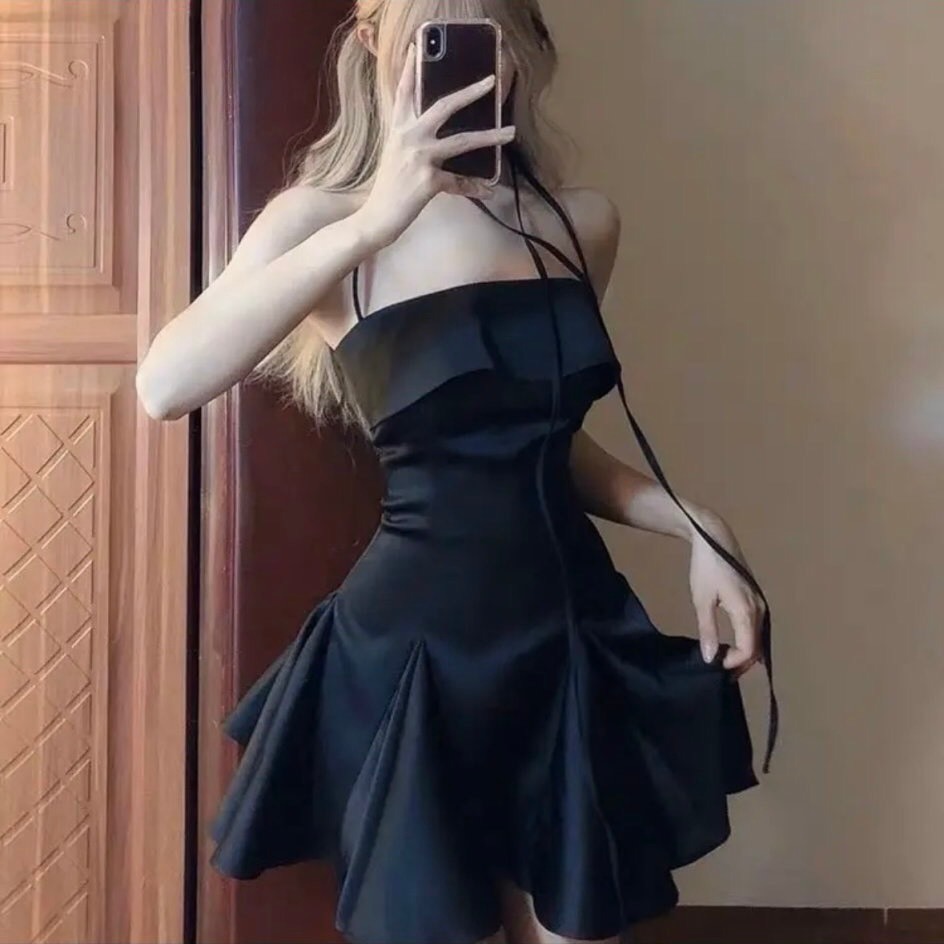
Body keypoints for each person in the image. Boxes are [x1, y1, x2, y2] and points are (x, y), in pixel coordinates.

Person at [137, 2, 778, 942]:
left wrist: (698, 527)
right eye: (429, 37)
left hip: (568, 635)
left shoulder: (579, 224)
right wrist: (376, 221)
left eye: (483, 34)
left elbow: (541, 447)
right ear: (373, 46)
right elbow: (164, 385)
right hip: (416, 657)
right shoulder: (318, 222)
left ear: (521, 47)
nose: (466, 67)